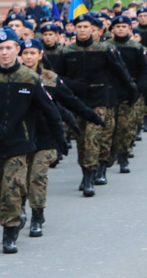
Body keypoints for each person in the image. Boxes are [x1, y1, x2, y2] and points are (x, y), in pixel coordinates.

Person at [0, 27, 67, 254]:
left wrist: (59, 139)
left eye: (9, 48)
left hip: (19, 144)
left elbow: (50, 110)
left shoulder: (30, 78)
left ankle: (10, 230)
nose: (5, 53)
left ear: (17, 49)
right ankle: (11, 214)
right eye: (1, 48)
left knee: (11, 188)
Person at [18, 39, 104, 236]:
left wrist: (92, 116)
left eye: (32, 53)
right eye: (25, 53)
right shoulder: (13, 78)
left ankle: (37, 215)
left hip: (45, 136)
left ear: (40, 55)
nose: (28, 57)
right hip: (18, 137)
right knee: (19, 179)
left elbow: (71, 101)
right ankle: (19, 209)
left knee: (38, 177)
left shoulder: (50, 78)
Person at [56, 14, 137, 195]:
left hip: (100, 100)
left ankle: (91, 176)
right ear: (75, 29)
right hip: (77, 102)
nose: (83, 30)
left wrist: (131, 92)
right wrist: (72, 84)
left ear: (93, 29)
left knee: (93, 138)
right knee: (81, 140)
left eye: (86, 27)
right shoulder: (67, 51)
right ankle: (87, 171)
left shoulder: (104, 49)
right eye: (79, 27)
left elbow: (121, 72)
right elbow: (57, 78)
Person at [109, 15, 147, 172]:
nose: (120, 29)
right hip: (110, 92)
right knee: (109, 127)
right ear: (112, 30)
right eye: (117, 27)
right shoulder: (106, 47)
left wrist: (138, 88)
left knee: (126, 127)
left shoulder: (136, 48)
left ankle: (123, 156)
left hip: (129, 91)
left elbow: (144, 71)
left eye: (124, 27)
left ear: (129, 29)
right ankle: (109, 154)